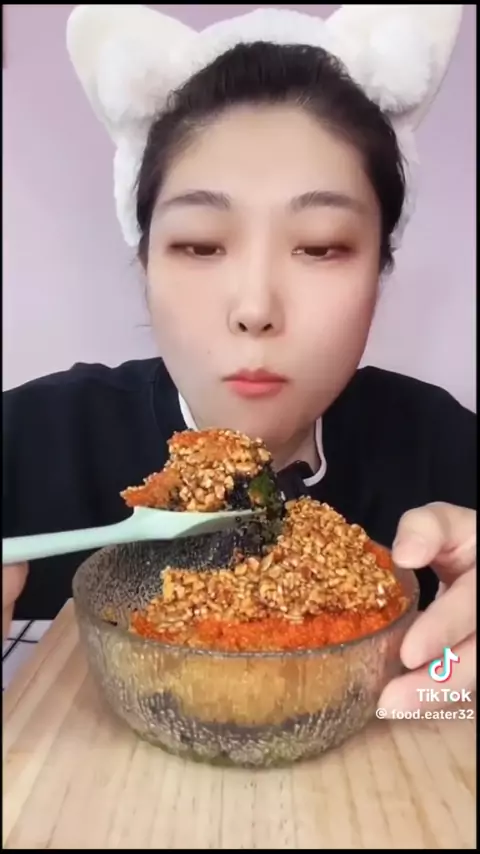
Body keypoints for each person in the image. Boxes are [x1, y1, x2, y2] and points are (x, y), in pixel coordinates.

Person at [3, 5, 475, 714]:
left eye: (320, 246)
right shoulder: (34, 440)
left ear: (380, 271)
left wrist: (450, 690)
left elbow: (449, 695)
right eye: (200, 245)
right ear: (145, 264)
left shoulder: (445, 448)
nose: (255, 308)